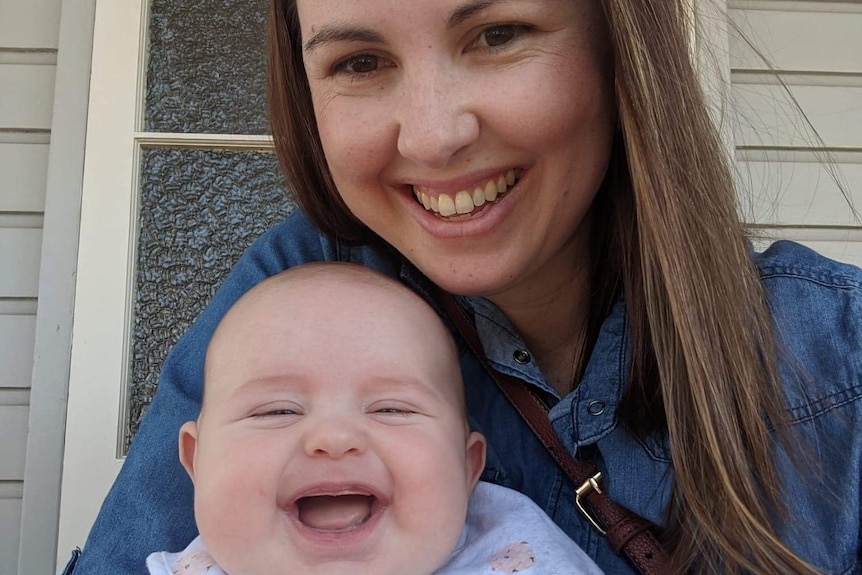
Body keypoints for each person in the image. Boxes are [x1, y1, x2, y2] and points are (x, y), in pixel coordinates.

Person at [68, 1, 862, 574]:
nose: (433, 134)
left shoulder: (840, 359)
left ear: (618, 43)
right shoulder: (301, 291)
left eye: (497, 34)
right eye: (360, 61)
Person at [144, 263, 604, 575]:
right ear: (196, 459)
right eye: (277, 410)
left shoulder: (519, 559)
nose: (334, 437)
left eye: (391, 409)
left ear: (467, 468)